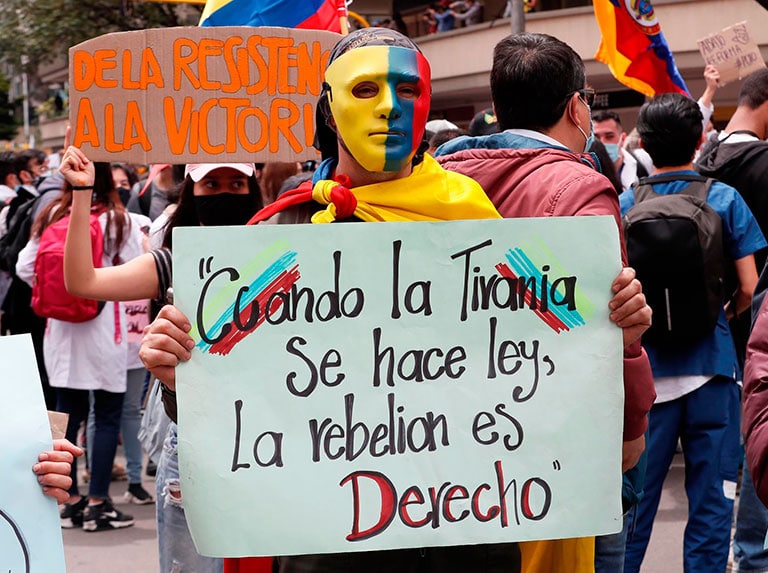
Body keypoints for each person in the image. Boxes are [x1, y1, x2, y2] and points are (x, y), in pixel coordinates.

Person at [139, 27, 652, 573]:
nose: (389, 107)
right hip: (328, 545)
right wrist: (180, 378)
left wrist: (612, 337)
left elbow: (554, 374)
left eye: (407, 90)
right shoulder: (281, 236)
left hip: (467, 536)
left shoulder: (478, 221)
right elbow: (230, 414)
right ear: (330, 109)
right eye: (365, 90)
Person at [434, 32, 656, 572]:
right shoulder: (581, 189)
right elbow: (608, 325)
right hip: (562, 442)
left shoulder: (434, 183)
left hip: (457, 440)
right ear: (577, 107)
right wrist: (632, 422)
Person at [60, 147, 263, 572]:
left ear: (254, 190)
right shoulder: (173, 263)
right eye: (211, 184)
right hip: (194, 440)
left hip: (268, 439)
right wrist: (81, 193)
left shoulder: (283, 254)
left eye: (236, 184)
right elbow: (82, 281)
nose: (225, 193)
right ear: (192, 192)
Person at [618, 92, 765, 573]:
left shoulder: (623, 203)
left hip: (646, 379)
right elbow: (750, 287)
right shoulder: (724, 198)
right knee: (712, 500)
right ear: (700, 139)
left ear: (643, 143)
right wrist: (718, 313)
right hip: (713, 369)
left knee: (635, 505)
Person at [699, 68, 768, 573]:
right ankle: (752, 552)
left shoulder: (703, 161)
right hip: (758, 317)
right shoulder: (764, 163)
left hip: (713, 328)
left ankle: (738, 550)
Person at [592, 110, 649, 192]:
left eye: (609, 136)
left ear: (623, 139)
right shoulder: (585, 171)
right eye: (596, 137)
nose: (602, 143)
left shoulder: (644, 161)